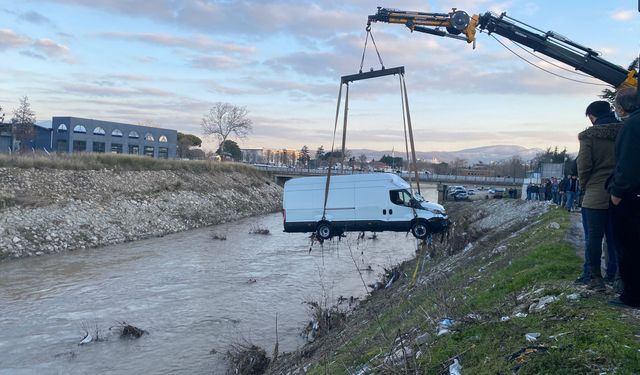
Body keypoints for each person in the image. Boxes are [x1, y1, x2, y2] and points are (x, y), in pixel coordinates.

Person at [576, 101, 622, 290]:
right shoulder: (626, 132)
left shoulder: (589, 137)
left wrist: (585, 184)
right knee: (616, 238)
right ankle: (616, 275)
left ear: (592, 116)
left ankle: (593, 276)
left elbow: (584, 166)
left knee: (593, 237)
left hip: (596, 193)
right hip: (621, 193)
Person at [607, 87, 640, 308]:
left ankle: (632, 296)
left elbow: (627, 164)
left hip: (632, 198)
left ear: (621, 107)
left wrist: (617, 193)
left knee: (630, 247)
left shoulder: (632, 126)